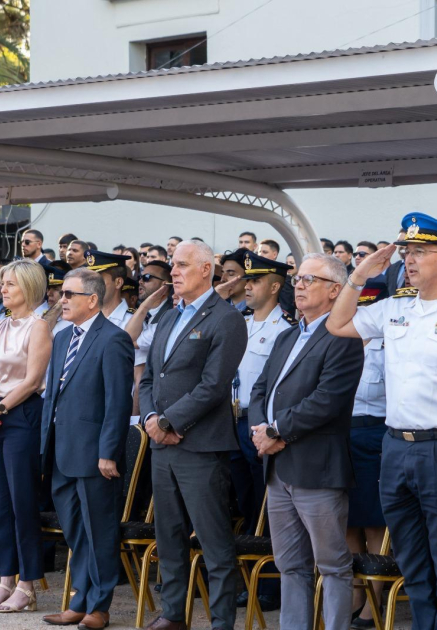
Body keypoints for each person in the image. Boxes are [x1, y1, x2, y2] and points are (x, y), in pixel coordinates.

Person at [327, 213, 437, 630]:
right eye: (407, 252)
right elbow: (337, 324)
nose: (409, 260)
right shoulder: (395, 308)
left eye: (420, 252)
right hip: (396, 447)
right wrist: (359, 275)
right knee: (412, 562)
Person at [249, 253, 364, 630]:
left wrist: (276, 431)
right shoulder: (287, 335)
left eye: (308, 280)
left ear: (335, 291)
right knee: (289, 564)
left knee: (331, 564)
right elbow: (260, 389)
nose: (298, 285)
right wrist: (260, 430)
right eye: (298, 279)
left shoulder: (343, 336)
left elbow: (327, 400)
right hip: (278, 467)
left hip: (316, 467)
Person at [139, 239, 246, 630]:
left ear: (207, 269)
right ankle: (173, 614)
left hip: (199, 446)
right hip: (162, 443)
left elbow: (213, 385)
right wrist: (152, 417)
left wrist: (168, 423)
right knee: (169, 536)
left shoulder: (226, 318)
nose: (174, 272)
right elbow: (151, 376)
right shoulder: (168, 316)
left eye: (182, 265)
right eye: (172, 265)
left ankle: (221, 622)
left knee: (215, 542)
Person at [39, 268, 134, 630]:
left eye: (68, 294)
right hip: (62, 451)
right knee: (76, 532)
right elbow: (53, 397)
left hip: (95, 455)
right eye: (61, 293)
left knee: (100, 530)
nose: (60, 299)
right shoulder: (62, 337)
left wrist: (108, 451)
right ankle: (79, 599)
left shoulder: (114, 339)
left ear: (91, 300)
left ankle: (100, 606)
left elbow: (117, 403)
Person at [0, 259, 52, 613]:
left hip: (18, 413)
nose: (3, 289)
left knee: (22, 502)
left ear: (30, 289)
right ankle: (6, 578)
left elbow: (33, 380)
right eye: (3, 283)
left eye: (11, 285)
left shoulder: (38, 326)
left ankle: (28, 583)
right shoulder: (0, 324)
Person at [229, 251, 294, 614]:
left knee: (267, 509)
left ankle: (270, 584)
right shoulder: (240, 322)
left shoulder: (284, 328)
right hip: (231, 422)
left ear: (274, 285)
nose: (247, 286)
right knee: (246, 504)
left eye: (254, 281)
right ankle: (247, 577)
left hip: (260, 426)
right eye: (247, 280)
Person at [347, 277, 390, 630]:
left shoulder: (391, 344)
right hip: (342, 435)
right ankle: (357, 590)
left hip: (376, 433)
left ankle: (374, 598)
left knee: (374, 521)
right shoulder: (341, 340)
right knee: (348, 520)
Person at [125, 261, 173, 418]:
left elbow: (130, 342)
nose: (140, 281)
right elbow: (127, 338)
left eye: (147, 277)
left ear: (164, 285)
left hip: (158, 405)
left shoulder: (170, 313)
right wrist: (145, 306)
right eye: (140, 277)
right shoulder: (141, 311)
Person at [84, 250, 134, 330]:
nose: (92, 285)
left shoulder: (131, 321)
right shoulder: (84, 317)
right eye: (90, 279)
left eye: (99, 279)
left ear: (118, 282)